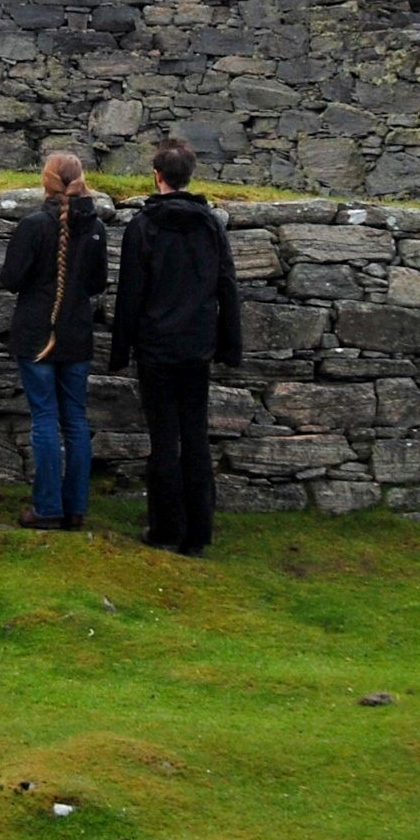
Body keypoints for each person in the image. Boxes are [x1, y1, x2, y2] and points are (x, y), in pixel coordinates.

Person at [108, 137, 242, 556]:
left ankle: (166, 526)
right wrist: (229, 344)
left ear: (157, 176)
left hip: (157, 345)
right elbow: (227, 287)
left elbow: (130, 292)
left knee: (165, 438)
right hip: (197, 344)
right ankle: (198, 531)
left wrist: (120, 350)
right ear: (189, 176)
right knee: (195, 435)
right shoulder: (210, 226)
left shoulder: (145, 227)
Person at [0, 150, 110, 531]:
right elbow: (96, 283)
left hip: (37, 334)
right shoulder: (95, 227)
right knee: (75, 420)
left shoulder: (34, 225)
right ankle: (75, 508)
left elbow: (11, 279)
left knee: (45, 418)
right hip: (76, 333)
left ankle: (48, 508)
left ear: (46, 180)